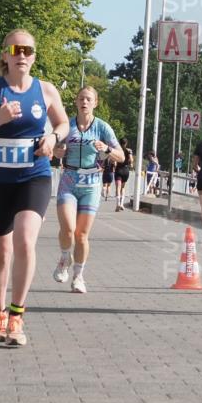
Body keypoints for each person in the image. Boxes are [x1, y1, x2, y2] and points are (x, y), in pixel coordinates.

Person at [0, 28, 69, 346]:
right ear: (5, 55)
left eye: (28, 50)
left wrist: (52, 137)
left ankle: (17, 316)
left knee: (24, 240)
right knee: (2, 252)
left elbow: (63, 123)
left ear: (34, 57)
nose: (22, 55)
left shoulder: (46, 91)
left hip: (34, 176)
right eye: (16, 50)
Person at [51, 86, 124, 293]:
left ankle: (78, 277)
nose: (84, 102)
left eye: (89, 99)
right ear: (76, 102)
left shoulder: (102, 127)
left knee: (81, 235)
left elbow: (122, 156)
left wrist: (107, 149)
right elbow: (55, 152)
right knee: (67, 229)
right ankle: (65, 258)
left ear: (95, 103)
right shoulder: (68, 126)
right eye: (81, 98)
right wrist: (59, 150)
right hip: (69, 180)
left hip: (91, 183)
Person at [114, 137, 134, 211]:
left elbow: (114, 160)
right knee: (123, 187)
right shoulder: (129, 150)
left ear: (119, 143)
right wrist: (130, 162)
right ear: (126, 143)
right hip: (125, 170)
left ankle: (117, 204)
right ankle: (122, 204)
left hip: (118, 169)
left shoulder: (117, 150)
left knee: (118, 187)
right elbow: (131, 160)